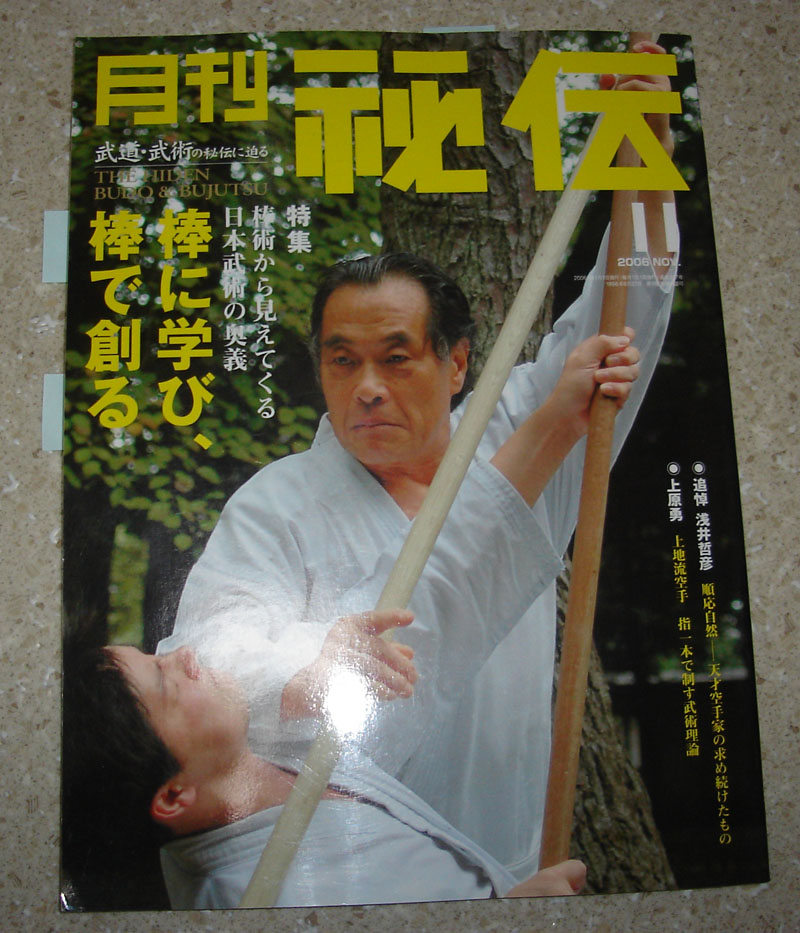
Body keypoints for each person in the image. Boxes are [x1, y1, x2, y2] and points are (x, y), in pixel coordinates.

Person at [159, 46, 679, 880]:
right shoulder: (276, 504)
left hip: (514, 858)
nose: (367, 387)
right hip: (364, 876)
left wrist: (646, 152)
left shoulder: (523, 421)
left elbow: (632, 306)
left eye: (397, 358)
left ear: (457, 362)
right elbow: (207, 652)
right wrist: (307, 666)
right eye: (342, 360)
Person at [63, 636, 587, 909]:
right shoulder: (261, 903)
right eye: (164, 680)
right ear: (173, 796)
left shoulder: (254, 757)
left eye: (153, 655)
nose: (181, 653)